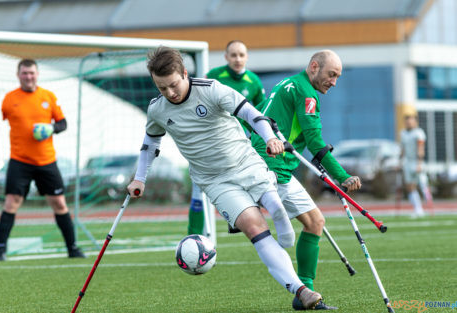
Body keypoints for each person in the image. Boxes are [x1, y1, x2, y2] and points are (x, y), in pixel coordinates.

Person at [127, 46, 323, 309]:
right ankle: (300, 290)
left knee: (272, 203)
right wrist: (140, 178)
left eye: (173, 85)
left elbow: (253, 115)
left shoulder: (211, 89)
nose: (170, 93)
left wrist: (271, 138)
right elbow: (150, 144)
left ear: (185, 73)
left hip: (245, 162)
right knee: (254, 228)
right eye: (162, 88)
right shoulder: (157, 109)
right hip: (215, 181)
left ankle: (277, 211)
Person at [251, 50, 362, 310]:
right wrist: (343, 176)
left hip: (272, 165)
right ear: (314, 66)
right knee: (279, 228)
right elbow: (314, 141)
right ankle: (303, 289)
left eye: (338, 77)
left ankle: (305, 293)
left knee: (315, 222)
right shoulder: (307, 93)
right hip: (273, 168)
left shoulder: (288, 83)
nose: (334, 82)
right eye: (331, 74)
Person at [0, 59, 84, 261]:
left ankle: (73, 248)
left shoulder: (48, 97)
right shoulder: (9, 99)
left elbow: (63, 123)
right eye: (24, 73)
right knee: (11, 203)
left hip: (46, 161)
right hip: (19, 160)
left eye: (31, 73)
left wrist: (51, 128)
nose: (28, 76)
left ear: (37, 74)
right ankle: (0, 250)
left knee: (59, 203)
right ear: (18, 75)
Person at [188, 40, 266, 235]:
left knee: (245, 183)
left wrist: (262, 137)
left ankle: (235, 219)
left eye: (241, 55)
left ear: (247, 57)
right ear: (226, 57)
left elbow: (258, 113)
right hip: (210, 143)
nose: (237, 59)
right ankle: (193, 235)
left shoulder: (253, 81)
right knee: (199, 191)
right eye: (233, 55)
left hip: (238, 146)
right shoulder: (214, 76)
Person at [399, 113, 427, 218]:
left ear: (415, 122)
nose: (408, 123)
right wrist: (400, 163)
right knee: (410, 186)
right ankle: (418, 208)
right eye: (407, 121)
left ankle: (429, 203)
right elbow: (402, 149)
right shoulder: (403, 133)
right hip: (408, 162)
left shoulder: (419, 133)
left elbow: (420, 149)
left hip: (417, 161)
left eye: (411, 121)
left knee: (423, 185)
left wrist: (419, 164)